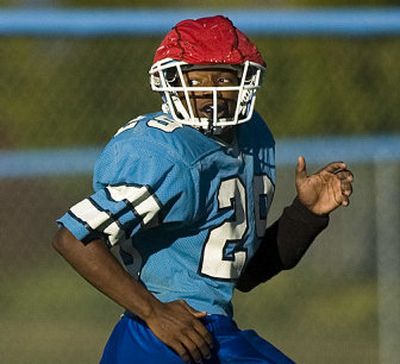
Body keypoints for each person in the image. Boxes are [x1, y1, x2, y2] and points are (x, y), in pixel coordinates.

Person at [52, 15, 353, 364]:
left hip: (213, 330)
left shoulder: (253, 140)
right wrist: (153, 311)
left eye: (223, 78)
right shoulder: (165, 152)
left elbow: (244, 274)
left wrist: (305, 214)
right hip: (161, 334)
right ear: (172, 82)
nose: (211, 92)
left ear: (245, 81)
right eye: (197, 79)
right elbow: (72, 237)